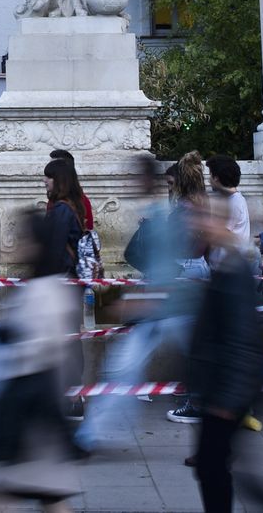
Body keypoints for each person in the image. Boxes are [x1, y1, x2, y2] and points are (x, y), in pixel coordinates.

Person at [77, 155, 203, 450]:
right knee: (124, 370)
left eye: (135, 177)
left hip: (167, 310)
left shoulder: (162, 220)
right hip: (169, 310)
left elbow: (165, 271)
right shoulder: (161, 215)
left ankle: (91, 434)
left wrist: (136, 304)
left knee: (123, 370)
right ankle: (91, 434)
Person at [0, 208, 83, 510]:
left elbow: (37, 350)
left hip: (30, 409)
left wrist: (9, 338)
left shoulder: (43, 291)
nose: (18, 245)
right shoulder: (48, 287)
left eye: (24, 239)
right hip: (39, 410)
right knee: (50, 496)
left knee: (5, 497)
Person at [186, 199, 263, 513]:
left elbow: (242, 335)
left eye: (204, 219)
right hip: (219, 388)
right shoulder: (221, 262)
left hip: (226, 392)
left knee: (213, 467)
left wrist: (229, 398)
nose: (197, 225)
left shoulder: (232, 268)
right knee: (215, 466)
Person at [44, 157, 89, 420]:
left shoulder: (61, 210)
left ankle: (72, 398)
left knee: (66, 342)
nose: (44, 181)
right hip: (71, 284)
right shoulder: (75, 206)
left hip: (62, 284)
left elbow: (55, 250)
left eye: (49, 177)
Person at [207, 154, 250, 255]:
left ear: (216, 178)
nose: (209, 180)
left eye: (210, 174)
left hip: (229, 267)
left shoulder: (234, 202)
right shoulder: (233, 199)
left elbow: (217, 236)